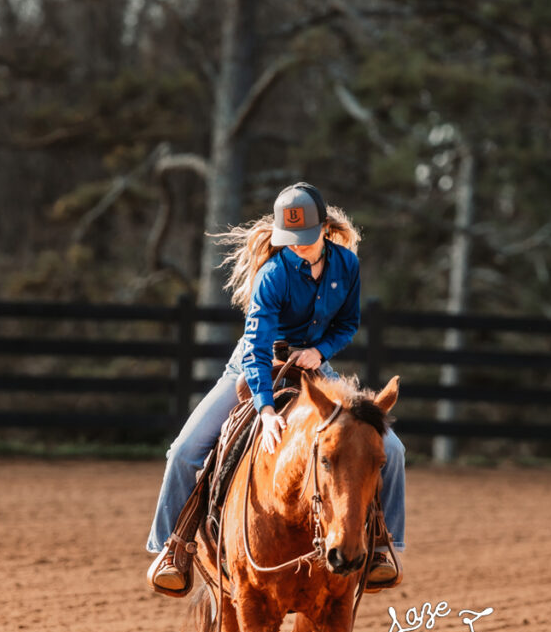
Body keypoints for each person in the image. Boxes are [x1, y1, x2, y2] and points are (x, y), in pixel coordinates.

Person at [146, 182, 405, 593]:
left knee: (392, 448)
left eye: (305, 239)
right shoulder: (273, 274)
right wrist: (266, 410)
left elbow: (348, 324)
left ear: (324, 228)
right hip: (255, 365)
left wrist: (320, 352)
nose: (298, 247)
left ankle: (379, 548)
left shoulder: (347, 266)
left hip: (315, 368)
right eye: (292, 240)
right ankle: (171, 548)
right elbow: (255, 347)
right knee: (183, 451)